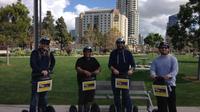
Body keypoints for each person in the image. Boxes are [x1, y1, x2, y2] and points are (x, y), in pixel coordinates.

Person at [108, 37, 136, 112]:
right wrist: (113, 69)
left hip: (125, 77)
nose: (120, 45)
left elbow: (133, 65)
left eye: (122, 43)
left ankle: (127, 109)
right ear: (116, 44)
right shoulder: (113, 53)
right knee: (116, 96)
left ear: (124, 44)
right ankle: (119, 110)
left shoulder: (128, 53)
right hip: (115, 77)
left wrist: (131, 70)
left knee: (125, 95)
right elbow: (109, 65)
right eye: (118, 43)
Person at [150, 42, 178, 112]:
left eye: (166, 48)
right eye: (162, 48)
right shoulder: (156, 60)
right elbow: (152, 70)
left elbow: (175, 71)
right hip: (159, 85)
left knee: (172, 105)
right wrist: (153, 75)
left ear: (168, 49)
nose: (164, 49)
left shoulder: (173, 59)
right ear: (159, 49)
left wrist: (169, 76)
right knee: (161, 105)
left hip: (170, 85)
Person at [29, 37, 55, 112]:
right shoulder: (35, 52)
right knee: (34, 98)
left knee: (44, 98)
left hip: (46, 79)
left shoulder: (49, 53)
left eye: (47, 44)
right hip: (36, 78)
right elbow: (33, 64)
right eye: (43, 43)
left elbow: (53, 62)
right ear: (40, 44)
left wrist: (49, 69)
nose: (45, 45)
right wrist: (41, 71)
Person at [75, 46, 101, 112]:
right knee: (81, 98)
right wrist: (84, 71)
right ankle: (80, 110)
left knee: (89, 98)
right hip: (82, 82)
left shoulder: (93, 60)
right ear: (83, 52)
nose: (87, 53)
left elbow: (99, 68)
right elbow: (78, 68)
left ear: (90, 53)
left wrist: (97, 71)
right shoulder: (80, 60)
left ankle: (87, 110)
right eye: (86, 52)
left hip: (91, 82)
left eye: (89, 52)